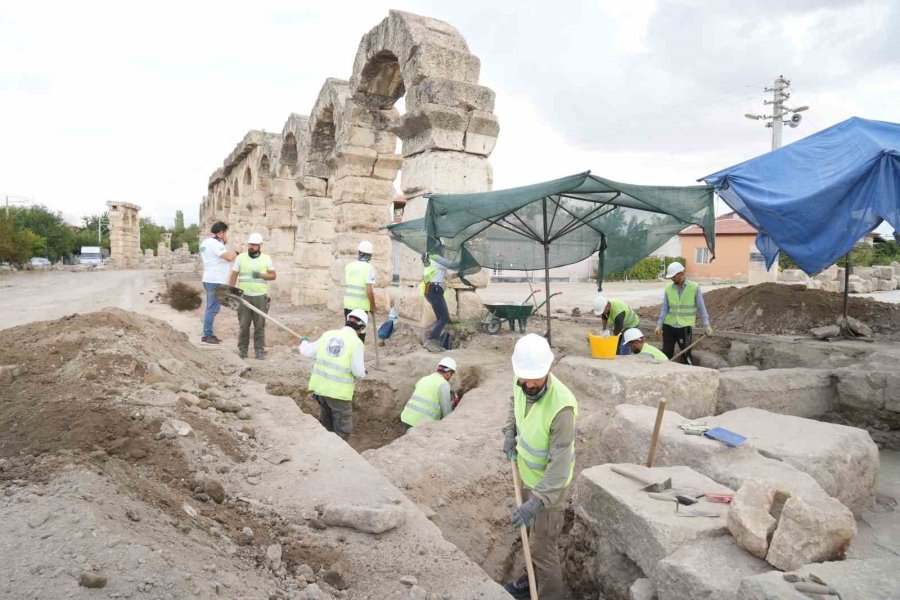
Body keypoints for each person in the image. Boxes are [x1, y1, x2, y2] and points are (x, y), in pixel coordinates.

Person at [502, 334, 578, 600]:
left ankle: (549, 595)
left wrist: (538, 501)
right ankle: (530, 579)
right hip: (527, 476)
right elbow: (515, 403)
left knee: (542, 549)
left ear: (549, 369)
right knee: (531, 538)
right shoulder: (520, 380)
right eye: (526, 378)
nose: (530, 384)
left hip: (550, 490)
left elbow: (560, 464)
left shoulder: (562, 409)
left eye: (537, 377)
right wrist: (510, 432)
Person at [299, 310, 368, 442]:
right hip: (339, 394)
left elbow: (307, 351)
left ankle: (325, 449)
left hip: (321, 391)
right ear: (361, 328)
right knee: (342, 430)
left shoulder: (328, 335)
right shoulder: (356, 342)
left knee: (326, 425)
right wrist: (364, 372)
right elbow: (358, 372)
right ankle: (339, 458)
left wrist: (304, 342)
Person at [227, 232, 276, 360]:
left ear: (260, 246)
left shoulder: (266, 259)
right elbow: (234, 275)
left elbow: (273, 275)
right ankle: (243, 350)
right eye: (250, 244)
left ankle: (259, 350)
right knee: (244, 325)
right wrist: (231, 292)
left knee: (259, 326)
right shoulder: (241, 258)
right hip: (244, 297)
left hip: (260, 297)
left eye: (254, 245)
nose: (252, 247)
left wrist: (260, 275)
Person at [656, 262, 713, 365]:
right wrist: (659, 325)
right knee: (666, 354)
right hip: (669, 326)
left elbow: (701, 307)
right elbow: (665, 308)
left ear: (681, 273)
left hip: (684, 327)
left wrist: (706, 325)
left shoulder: (694, 287)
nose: (672, 279)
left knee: (686, 355)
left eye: (673, 276)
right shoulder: (668, 288)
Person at [199, 221, 238, 344]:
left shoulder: (205, 242)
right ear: (221, 233)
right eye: (225, 233)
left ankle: (208, 333)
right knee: (213, 309)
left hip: (208, 278)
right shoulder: (216, 244)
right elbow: (229, 258)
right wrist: (237, 252)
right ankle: (207, 335)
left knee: (210, 307)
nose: (226, 236)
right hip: (215, 280)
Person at [400, 357, 457, 428]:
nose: (450, 378)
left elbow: (427, 401)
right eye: (451, 375)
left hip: (406, 418)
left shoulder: (424, 379)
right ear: (449, 373)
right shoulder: (443, 384)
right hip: (420, 424)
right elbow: (446, 412)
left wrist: (452, 403)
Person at [422, 253, 460, 353]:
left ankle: (435, 342)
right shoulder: (436, 258)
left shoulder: (438, 262)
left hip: (432, 290)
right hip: (434, 291)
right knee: (444, 317)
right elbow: (453, 265)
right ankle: (430, 341)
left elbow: (448, 276)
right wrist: (465, 264)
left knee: (440, 318)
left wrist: (460, 274)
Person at [343, 241, 377, 342]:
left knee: (349, 333)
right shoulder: (369, 268)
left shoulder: (349, 266)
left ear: (359, 252)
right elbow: (369, 290)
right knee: (359, 336)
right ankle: (357, 356)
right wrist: (373, 306)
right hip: (361, 308)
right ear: (370, 255)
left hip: (348, 305)